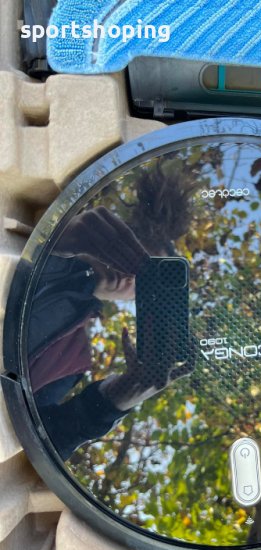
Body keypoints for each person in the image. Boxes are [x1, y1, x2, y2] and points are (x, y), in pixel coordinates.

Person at [29, 170, 193, 461]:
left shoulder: (73, 359)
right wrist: (49, 240)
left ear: (134, 301)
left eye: (145, 282)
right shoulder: (53, 248)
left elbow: (33, 441)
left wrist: (114, 400)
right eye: (132, 255)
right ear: (113, 238)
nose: (131, 274)